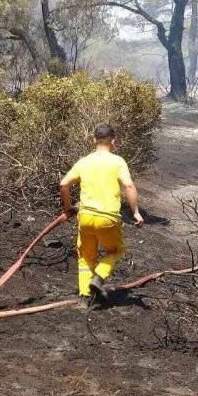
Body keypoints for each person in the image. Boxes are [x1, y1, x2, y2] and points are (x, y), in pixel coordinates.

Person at [59, 124, 144, 307]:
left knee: (85, 256)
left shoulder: (84, 161)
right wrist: (136, 212)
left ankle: (84, 294)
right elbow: (128, 186)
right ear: (113, 142)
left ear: (93, 141)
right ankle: (99, 277)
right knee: (116, 250)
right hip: (108, 218)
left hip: (86, 217)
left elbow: (64, 184)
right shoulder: (118, 162)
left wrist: (68, 208)